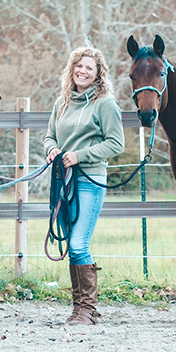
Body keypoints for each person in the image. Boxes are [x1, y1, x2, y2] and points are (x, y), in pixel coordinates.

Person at [44, 46, 125, 325]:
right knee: (69, 241)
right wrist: (53, 150)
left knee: (79, 243)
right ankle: (78, 309)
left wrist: (80, 156)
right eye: (79, 66)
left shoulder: (105, 104)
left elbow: (116, 143)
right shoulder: (62, 103)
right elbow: (49, 137)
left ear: (98, 73)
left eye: (89, 68)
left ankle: (88, 310)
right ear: (72, 69)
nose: (83, 71)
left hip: (90, 180)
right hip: (63, 182)